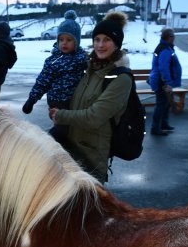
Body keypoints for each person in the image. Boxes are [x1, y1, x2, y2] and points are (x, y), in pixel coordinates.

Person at [48, 11, 132, 182]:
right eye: (97, 39)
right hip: (69, 149)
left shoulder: (121, 78)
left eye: (107, 40)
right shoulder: (89, 68)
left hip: (90, 157)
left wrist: (60, 115)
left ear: (117, 44)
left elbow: (94, 116)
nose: (100, 45)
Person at [22, 10, 88, 144]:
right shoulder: (53, 60)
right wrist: (31, 99)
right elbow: (42, 81)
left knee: (72, 131)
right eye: (61, 39)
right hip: (57, 101)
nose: (64, 43)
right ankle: (45, 144)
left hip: (75, 102)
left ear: (77, 42)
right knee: (61, 130)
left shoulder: (82, 59)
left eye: (69, 40)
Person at [148, 28, 182, 136]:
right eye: (173, 36)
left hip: (162, 81)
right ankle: (155, 128)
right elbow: (163, 67)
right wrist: (167, 82)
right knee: (161, 104)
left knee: (166, 103)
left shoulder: (166, 48)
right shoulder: (165, 50)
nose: (174, 38)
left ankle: (163, 124)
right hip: (162, 82)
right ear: (169, 37)